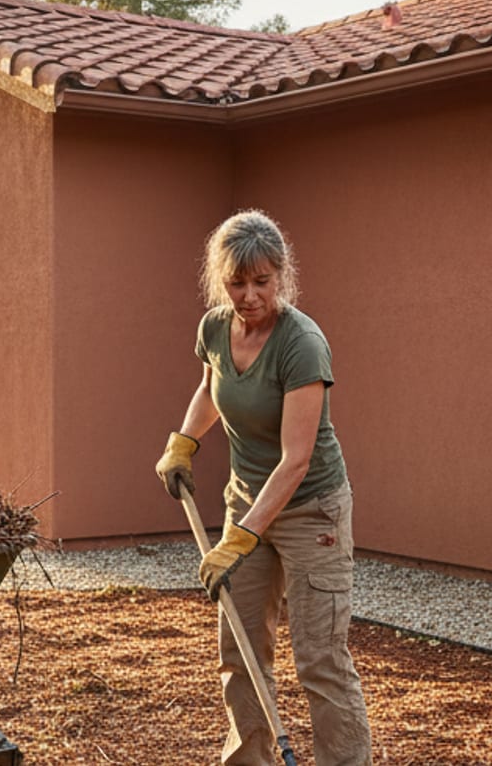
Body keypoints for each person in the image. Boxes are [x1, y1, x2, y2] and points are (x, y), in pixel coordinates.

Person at [154, 210, 373, 766]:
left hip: (311, 512)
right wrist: (184, 442)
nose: (249, 295)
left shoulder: (302, 344)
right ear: (219, 279)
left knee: (320, 658)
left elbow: (296, 461)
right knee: (240, 650)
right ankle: (249, 759)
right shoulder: (214, 328)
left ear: (282, 276)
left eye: (262, 281)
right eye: (236, 282)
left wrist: (242, 536)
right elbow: (211, 388)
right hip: (247, 502)